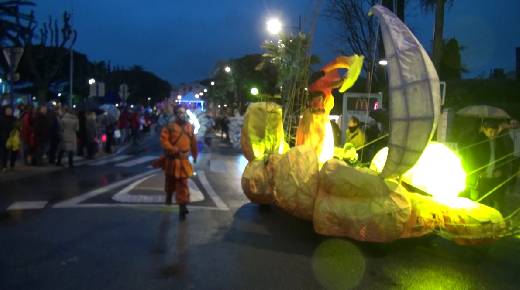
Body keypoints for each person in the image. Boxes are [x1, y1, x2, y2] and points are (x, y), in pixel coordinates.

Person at [464, 119, 514, 211]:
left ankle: (494, 220)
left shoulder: (499, 142)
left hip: (495, 178)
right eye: (490, 131)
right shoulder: (477, 141)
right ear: (484, 130)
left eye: (495, 132)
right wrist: (480, 172)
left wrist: (500, 170)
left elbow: (504, 157)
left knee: (495, 200)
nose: (493, 134)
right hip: (482, 178)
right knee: (482, 202)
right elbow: (472, 159)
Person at [159, 106, 198, 220]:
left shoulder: (190, 127)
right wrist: (173, 149)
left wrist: (195, 155)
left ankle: (182, 206)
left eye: (183, 112)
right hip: (172, 160)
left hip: (183, 161)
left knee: (183, 184)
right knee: (170, 181)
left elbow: (193, 142)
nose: (182, 114)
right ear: (176, 114)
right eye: (180, 113)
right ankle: (169, 196)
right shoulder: (169, 127)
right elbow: (164, 141)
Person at [0, 106, 16, 172]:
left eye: (10, 110)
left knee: (14, 152)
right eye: (7, 110)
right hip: (4, 138)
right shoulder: (1, 118)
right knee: (4, 153)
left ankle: (12, 165)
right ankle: (3, 166)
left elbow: (18, 127)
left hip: (13, 139)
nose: (9, 111)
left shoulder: (14, 118)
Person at [508, 119, 520, 192]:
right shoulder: (511, 131)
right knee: (513, 169)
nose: (513, 125)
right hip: (514, 154)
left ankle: (512, 182)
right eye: (512, 123)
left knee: (514, 169)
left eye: (515, 123)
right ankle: (512, 182)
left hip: (517, 153)